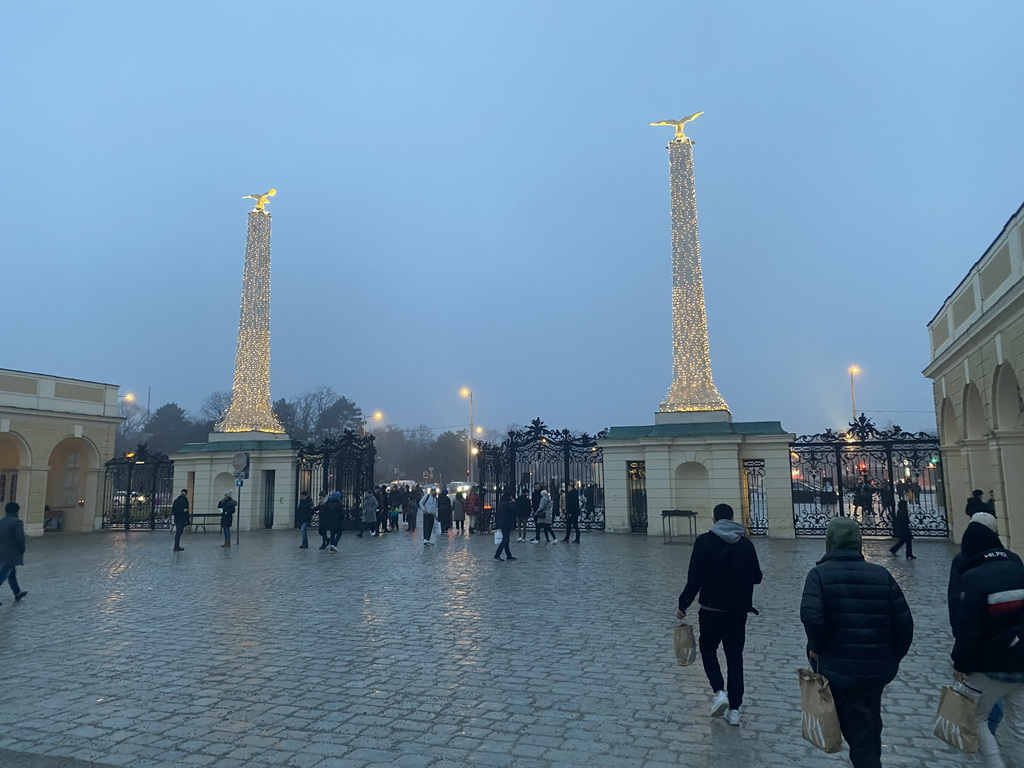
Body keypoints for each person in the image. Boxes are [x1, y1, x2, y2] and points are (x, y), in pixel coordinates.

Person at [800, 516, 914, 768]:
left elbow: (812, 617)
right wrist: (892, 658)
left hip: (841, 670)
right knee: (870, 724)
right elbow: (904, 625)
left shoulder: (819, 575)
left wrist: (817, 647)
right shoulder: (881, 575)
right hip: (877, 670)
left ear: (830, 541)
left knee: (859, 734)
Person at [675, 503, 763, 726]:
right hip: (738, 610)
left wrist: (683, 604)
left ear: (714, 520)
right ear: (732, 519)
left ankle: (719, 691)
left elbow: (695, 578)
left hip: (711, 609)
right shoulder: (745, 544)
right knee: (735, 656)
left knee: (708, 649)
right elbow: (757, 577)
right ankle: (734, 710)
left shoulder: (704, 542)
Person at [948, 512, 1006, 737]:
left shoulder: (963, 560)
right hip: (1010, 640)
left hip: (978, 638)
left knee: (982, 695)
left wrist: (959, 642)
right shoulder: (1010, 559)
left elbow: (956, 600)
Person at [0, 501, 28, 605]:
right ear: (16, 511)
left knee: (11, 573)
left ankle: (17, 592)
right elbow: (20, 538)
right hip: (11, 552)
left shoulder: (1, 522)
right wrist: (22, 549)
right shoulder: (17, 522)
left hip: (1, 552)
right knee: (4, 573)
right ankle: (17, 592)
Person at [493, 491, 517, 561]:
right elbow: (514, 510)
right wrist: (513, 502)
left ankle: (508, 555)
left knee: (506, 539)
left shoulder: (502, 504)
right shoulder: (507, 504)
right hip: (506, 523)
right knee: (505, 540)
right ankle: (497, 554)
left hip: (503, 523)